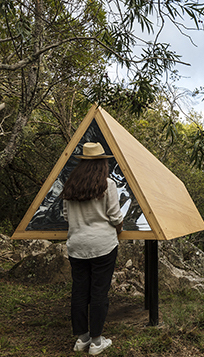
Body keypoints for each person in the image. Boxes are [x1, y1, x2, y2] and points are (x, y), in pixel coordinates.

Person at [61, 142, 123, 355]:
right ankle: (97, 342)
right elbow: (116, 217)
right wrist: (120, 228)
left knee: (79, 290)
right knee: (99, 292)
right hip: (103, 245)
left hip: (76, 245)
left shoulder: (70, 185)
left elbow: (66, 216)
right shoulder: (108, 185)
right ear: (102, 163)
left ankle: (82, 339)